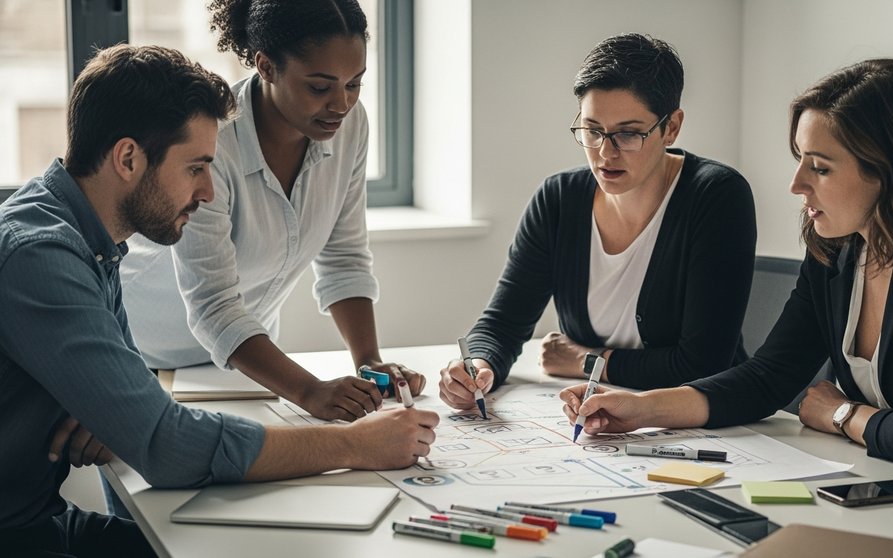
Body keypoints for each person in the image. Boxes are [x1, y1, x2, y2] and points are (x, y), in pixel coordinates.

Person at [0, 44, 438, 557]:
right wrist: (357, 445)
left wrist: (114, 412)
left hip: (38, 521)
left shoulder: (85, 234)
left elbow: (142, 406)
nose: (209, 192)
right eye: (196, 168)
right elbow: (165, 445)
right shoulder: (42, 256)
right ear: (127, 158)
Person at [560, 58, 893, 484]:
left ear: (890, 171)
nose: (795, 183)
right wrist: (642, 409)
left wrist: (842, 414)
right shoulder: (837, 244)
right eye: (799, 159)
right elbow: (768, 378)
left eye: (819, 167)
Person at [119, 0, 424, 423]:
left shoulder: (350, 127)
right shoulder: (215, 143)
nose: (342, 104)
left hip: (246, 362)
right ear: (265, 66)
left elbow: (343, 256)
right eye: (320, 87)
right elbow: (213, 305)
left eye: (355, 84)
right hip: (143, 353)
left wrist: (369, 362)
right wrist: (310, 390)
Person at [439, 33, 756, 410]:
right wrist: (477, 365)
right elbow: (502, 324)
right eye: (592, 131)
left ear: (671, 127)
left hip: (705, 426)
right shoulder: (559, 199)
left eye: (627, 133)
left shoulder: (716, 196)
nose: (605, 153)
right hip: (592, 423)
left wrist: (585, 362)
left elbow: (703, 364)